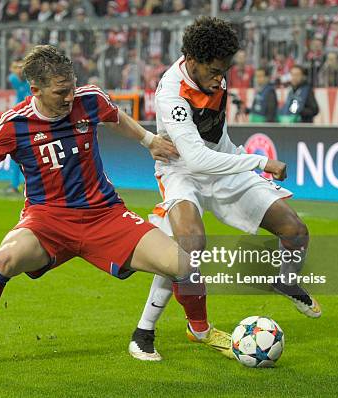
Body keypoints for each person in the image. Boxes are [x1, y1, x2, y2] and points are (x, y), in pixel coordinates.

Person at [0, 45, 226, 374]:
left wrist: (147, 140)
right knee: (3, 260)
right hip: (46, 222)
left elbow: (115, 117)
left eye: (71, 87)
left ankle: (200, 329)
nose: (69, 97)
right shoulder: (10, 125)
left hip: (104, 215)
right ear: (36, 90)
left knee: (183, 263)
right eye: (60, 92)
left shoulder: (89, 99)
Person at [128, 17, 321, 362]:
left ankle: (286, 281)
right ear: (191, 60)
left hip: (225, 160)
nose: (221, 78)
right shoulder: (171, 93)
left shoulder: (213, 68)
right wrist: (260, 162)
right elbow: (197, 159)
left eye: (225, 70)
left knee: (295, 230)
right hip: (181, 170)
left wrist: (242, 158)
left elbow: (213, 147)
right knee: (188, 244)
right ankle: (148, 330)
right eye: (215, 71)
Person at [4, 58, 32, 195]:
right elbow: (11, 76)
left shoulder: (30, 82)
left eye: (21, 67)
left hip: (34, 123)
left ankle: (30, 186)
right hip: (20, 123)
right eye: (16, 67)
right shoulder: (15, 80)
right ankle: (15, 185)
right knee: (16, 154)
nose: (18, 69)